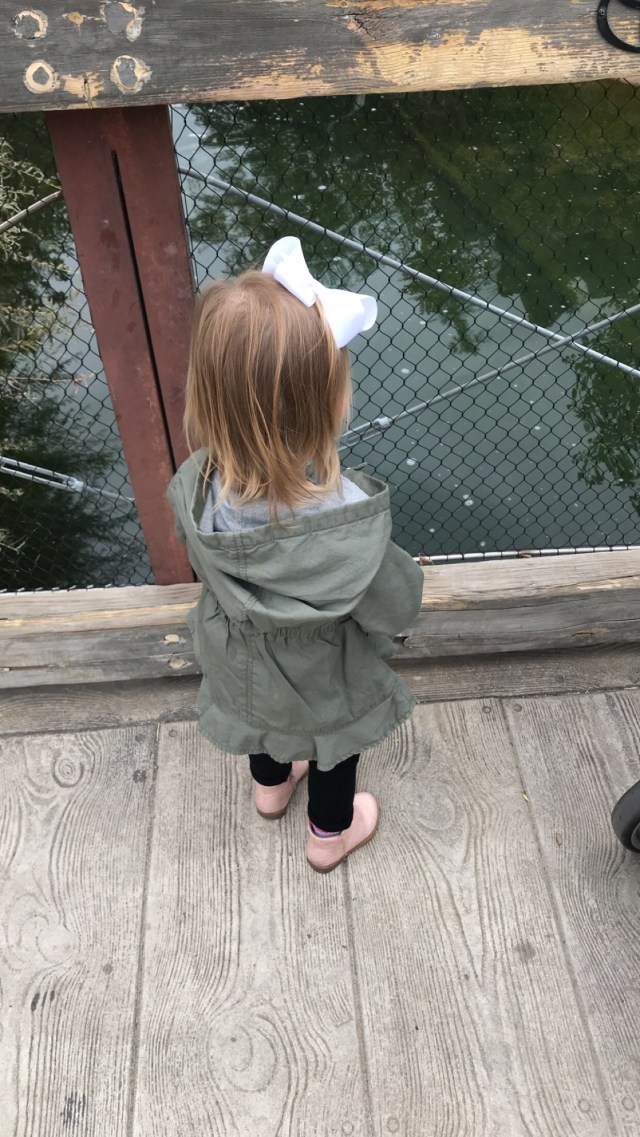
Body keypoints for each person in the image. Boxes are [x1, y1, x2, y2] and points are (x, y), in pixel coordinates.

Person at [167, 236, 424, 873]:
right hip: (326, 674)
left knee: (263, 720)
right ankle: (328, 836)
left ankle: (272, 788)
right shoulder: (347, 517)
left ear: (210, 392)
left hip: (238, 659)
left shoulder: (197, 489)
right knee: (336, 748)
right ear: (325, 404)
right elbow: (394, 603)